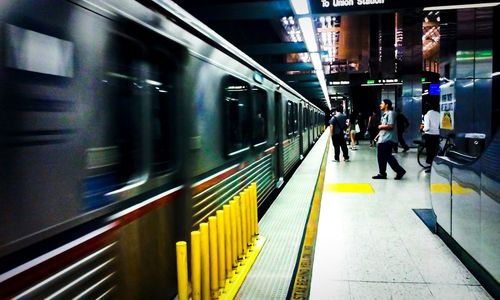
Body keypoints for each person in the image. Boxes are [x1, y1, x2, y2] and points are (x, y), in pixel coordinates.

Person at [372, 99, 406, 180]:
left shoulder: (391, 113)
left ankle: (400, 170)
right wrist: (377, 136)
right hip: (383, 138)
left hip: (388, 139)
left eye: (382, 103)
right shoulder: (385, 114)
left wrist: (380, 126)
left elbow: (391, 126)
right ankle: (382, 173)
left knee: (387, 156)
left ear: (386, 105)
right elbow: (384, 128)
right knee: (380, 157)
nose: (380, 105)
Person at [421, 102, 440, 172]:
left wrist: (422, 129)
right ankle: (434, 166)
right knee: (435, 151)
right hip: (437, 134)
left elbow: (427, 128)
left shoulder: (427, 115)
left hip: (429, 135)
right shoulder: (438, 114)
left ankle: (431, 167)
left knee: (430, 151)